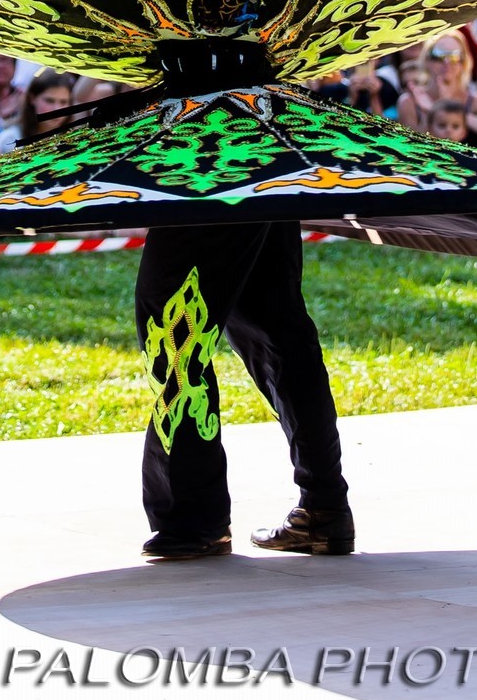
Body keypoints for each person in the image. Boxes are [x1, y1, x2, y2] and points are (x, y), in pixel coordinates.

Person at [136, 214, 352, 560]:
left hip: (203, 175)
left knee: (172, 325)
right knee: (273, 325)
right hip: (270, 169)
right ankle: (324, 508)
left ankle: (194, 521)